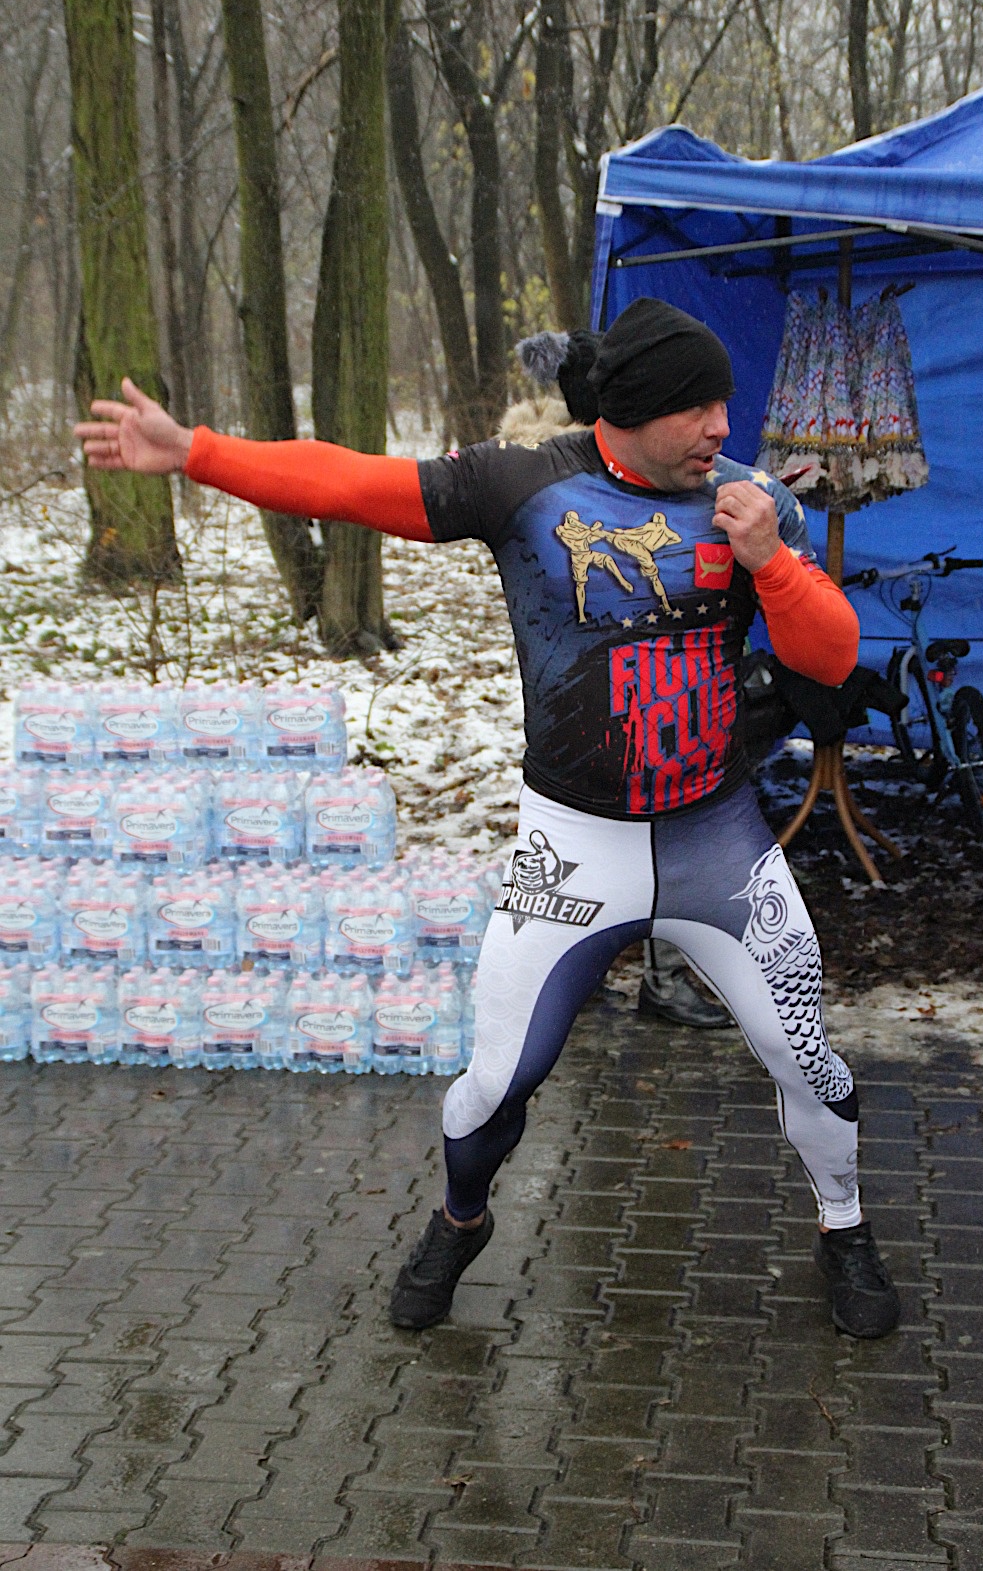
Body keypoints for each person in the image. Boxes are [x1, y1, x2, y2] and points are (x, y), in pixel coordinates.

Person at [76, 297, 900, 1339]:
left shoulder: (749, 501)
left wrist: (770, 560)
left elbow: (829, 658)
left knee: (807, 1059)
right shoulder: (523, 486)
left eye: (722, 404)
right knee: (492, 1086)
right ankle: (460, 1218)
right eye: (696, 408)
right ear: (632, 411)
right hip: (572, 849)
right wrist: (195, 452)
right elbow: (349, 481)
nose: (720, 427)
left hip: (717, 841)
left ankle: (842, 1225)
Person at [507, 330, 735, 1030]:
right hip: (598, 686)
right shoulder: (559, 477)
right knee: (632, 828)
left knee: (629, 829)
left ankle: (591, 976)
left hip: (612, 683)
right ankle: (626, 977)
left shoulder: (580, 467)